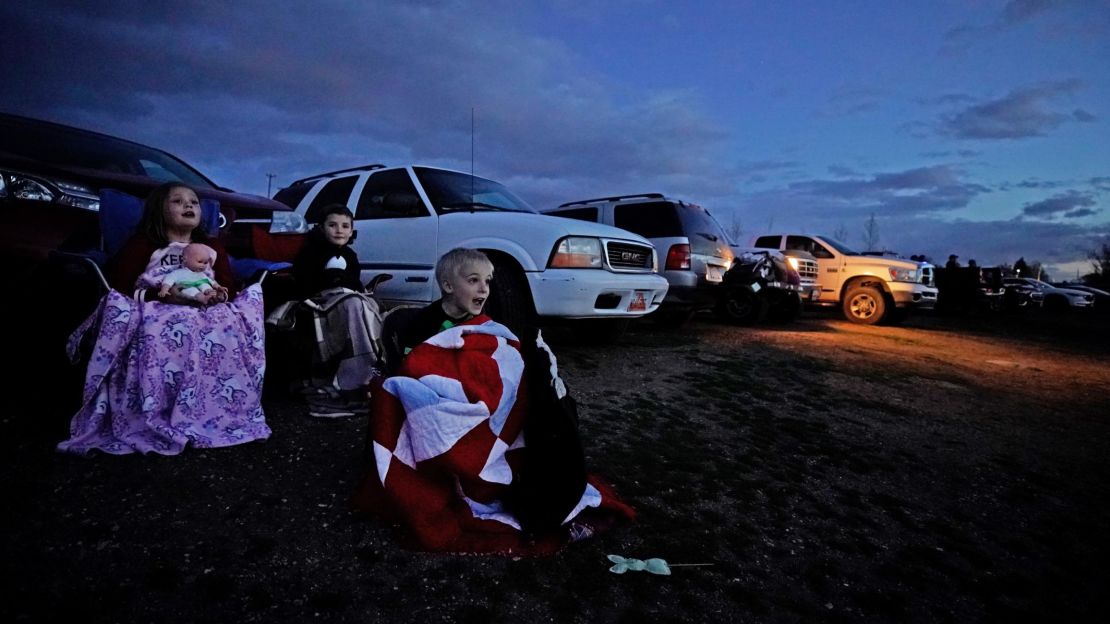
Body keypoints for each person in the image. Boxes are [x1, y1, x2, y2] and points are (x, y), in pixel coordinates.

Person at [353, 248, 634, 554]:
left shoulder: (486, 322)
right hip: (444, 406)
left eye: (487, 281)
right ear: (448, 286)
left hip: (486, 402)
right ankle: (468, 479)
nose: (484, 289)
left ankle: (527, 480)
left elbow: (499, 357)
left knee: (533, 401)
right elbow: (415, 372)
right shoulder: (424, 323)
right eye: (474, 281)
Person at [57, 183, 271, 455]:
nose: (189, 205)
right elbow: (121, 286)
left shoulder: (211, 245)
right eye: (178, 201)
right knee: (169, 323)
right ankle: (159, 407)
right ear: (159, 210)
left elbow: (227, 284)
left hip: (206, 305)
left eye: (193, 201)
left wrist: (216, 296)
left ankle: (212, 408)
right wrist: (163, 297)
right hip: (158, 303)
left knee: (225, 321)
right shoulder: (144, 244)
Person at [279, 204, 383, 418]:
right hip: (320, 301)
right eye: (333, 225)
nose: (339, 230)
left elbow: (354, 282)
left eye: (345, 226)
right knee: (354, 304)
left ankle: (373, 372)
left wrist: (346, 283)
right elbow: (303, 281)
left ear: (352, 231)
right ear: (321, 228)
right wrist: (333, 280)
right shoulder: (312, 252)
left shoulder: (351, 256)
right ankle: (352, 381)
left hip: (348, 296)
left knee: (366, 305)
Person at [157, 242, 224, 303]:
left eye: (205, 262)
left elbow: (211, 281)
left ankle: (214, 296)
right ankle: (203, 299)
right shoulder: (178, 272)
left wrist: (218, 287)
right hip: (186, 286)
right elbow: (169, 280)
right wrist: (164, 290)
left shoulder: (201, 274)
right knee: (192, 291)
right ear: (185, 259)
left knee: (206, 285)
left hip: (200, 284)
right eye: (200, 262)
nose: (203, 265)